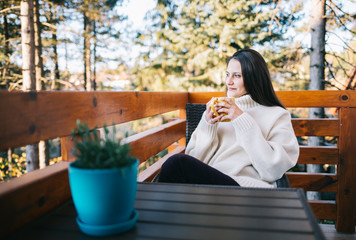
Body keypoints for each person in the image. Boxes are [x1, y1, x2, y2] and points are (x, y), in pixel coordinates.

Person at [158, 49, 299, 188]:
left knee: (176, 163)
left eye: (237, 76)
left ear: (254, 78)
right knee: (177, 167)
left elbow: (273, 169)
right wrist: (207, 126)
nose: (228, 82)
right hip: (209, 185)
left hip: (243, 187)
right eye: (227, 75)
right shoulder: (219, 110)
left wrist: (241, 119)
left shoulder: (277, 115)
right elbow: (195, 160)